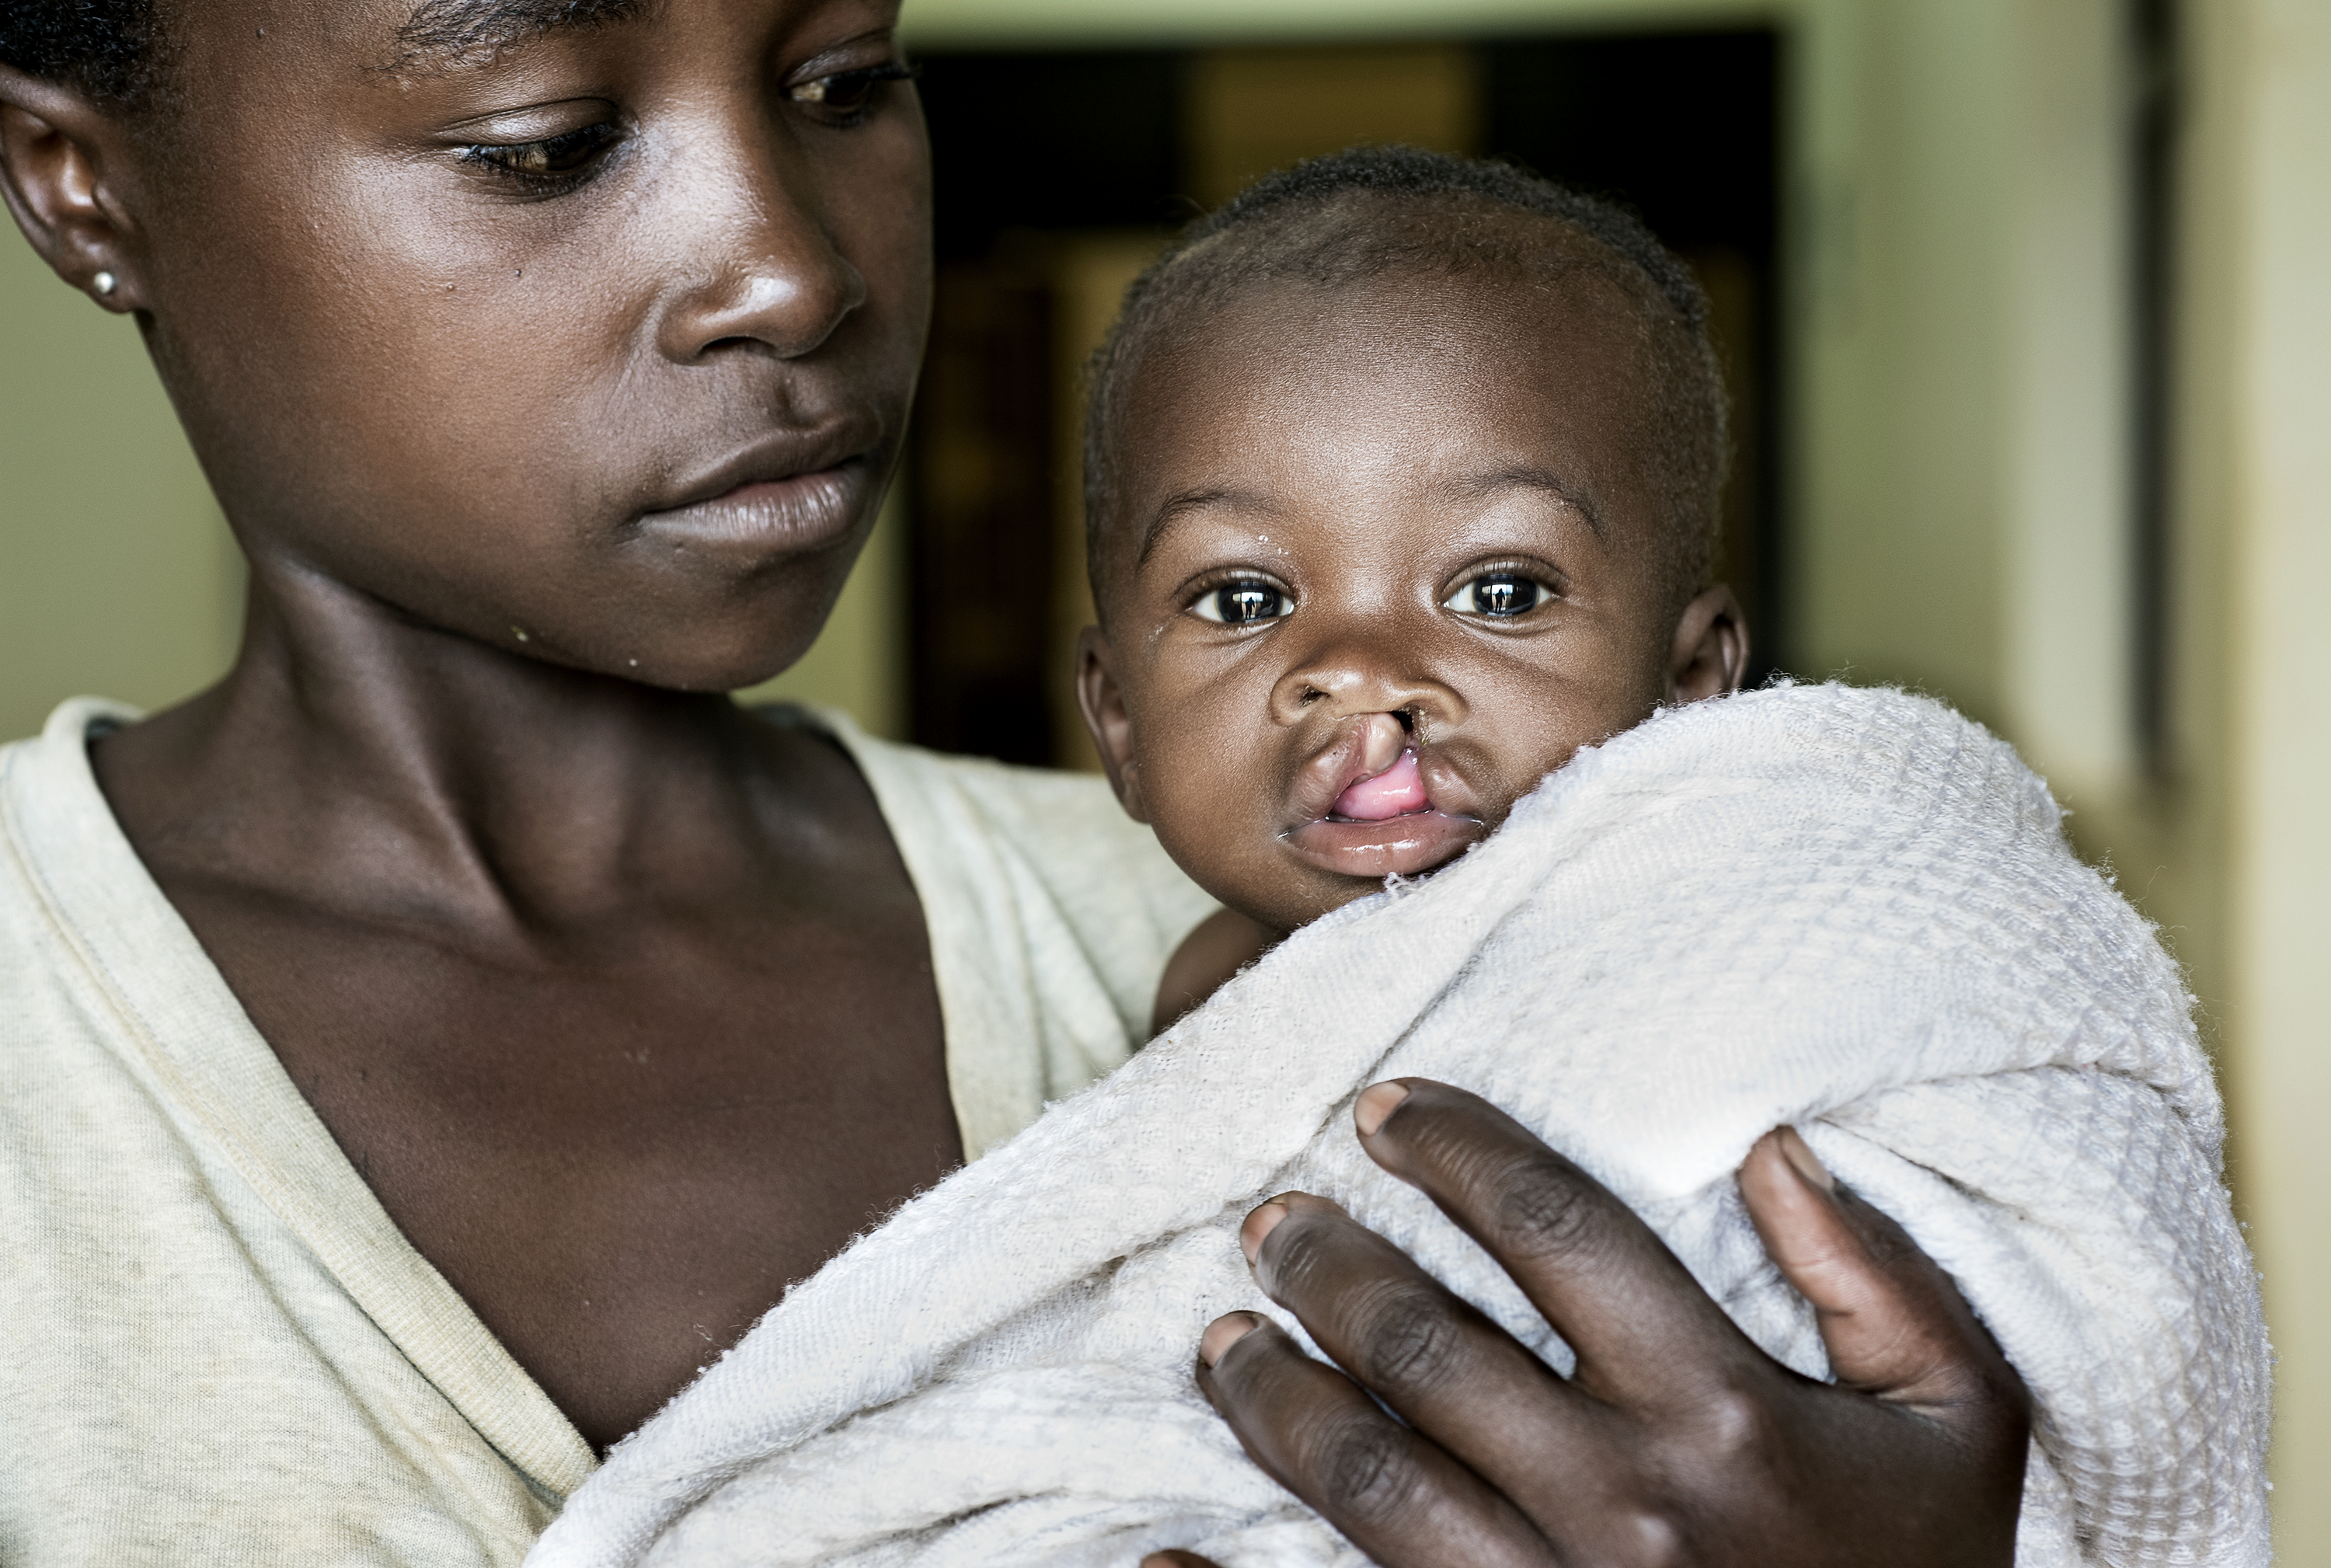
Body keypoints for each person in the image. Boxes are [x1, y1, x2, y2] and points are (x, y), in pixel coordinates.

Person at [0, 2, 2032, 1563]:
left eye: (842, 80)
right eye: (550, 140)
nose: (792, 272)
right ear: (82, 183)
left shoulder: (1364, 943)